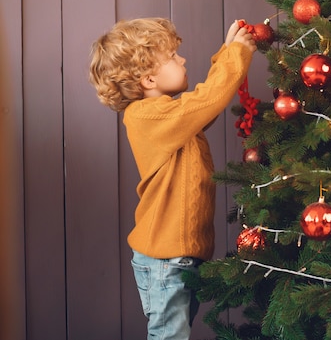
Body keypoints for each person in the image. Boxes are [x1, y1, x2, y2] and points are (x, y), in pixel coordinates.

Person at [88, 17, 256, 340]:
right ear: (149, 78)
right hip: (165, 260)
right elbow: (204, 101)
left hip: (177, 256)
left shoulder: (171, 116)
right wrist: (234, 55)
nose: (183, 59)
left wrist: (229, 51)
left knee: (174, 332)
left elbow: (204, 105)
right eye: (173, 57)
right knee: (169, 336)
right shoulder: (145, 117)